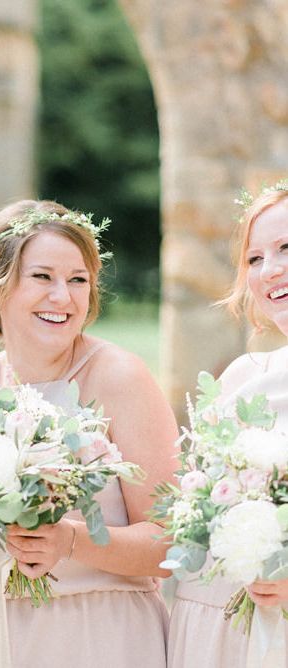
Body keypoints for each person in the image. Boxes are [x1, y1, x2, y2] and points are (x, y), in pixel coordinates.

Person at [0, 199, 178, 667]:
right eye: (42, 277)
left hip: (104, 635)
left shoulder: (118, 377)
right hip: (2, 633)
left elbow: (171, 542)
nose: (64, 297)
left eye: (78, 280)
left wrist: (71, 540)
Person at [168, 181, 288, 667]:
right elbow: (190, 511)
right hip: (221, 627)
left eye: (286, 248)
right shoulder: (242, 377)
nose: (269, 270)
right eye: (254, 258)